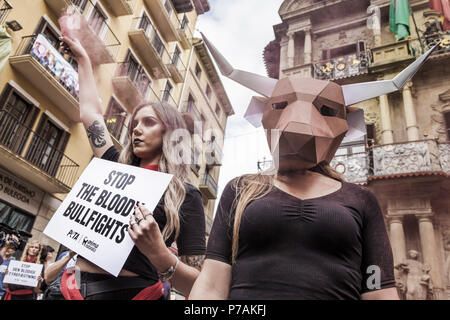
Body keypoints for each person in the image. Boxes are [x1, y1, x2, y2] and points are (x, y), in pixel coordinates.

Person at [189, 34, 403, 300]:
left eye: (326, 111)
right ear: (261, 114)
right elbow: (211, 283)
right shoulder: (241, 189)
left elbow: (378, 289)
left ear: (349, 126)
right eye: (281, 106)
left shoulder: (362, 200)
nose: (299, 123)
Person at [58, 35, 206, 300]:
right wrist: (83, 59)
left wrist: (159, 254)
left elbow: (199, 284)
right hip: (69, 287)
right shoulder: (115, 164)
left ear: (169, 132)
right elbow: (90, 113)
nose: (137, 128)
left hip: (131, 294)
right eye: (135, 123)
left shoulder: (186, 195)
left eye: (148, 122)